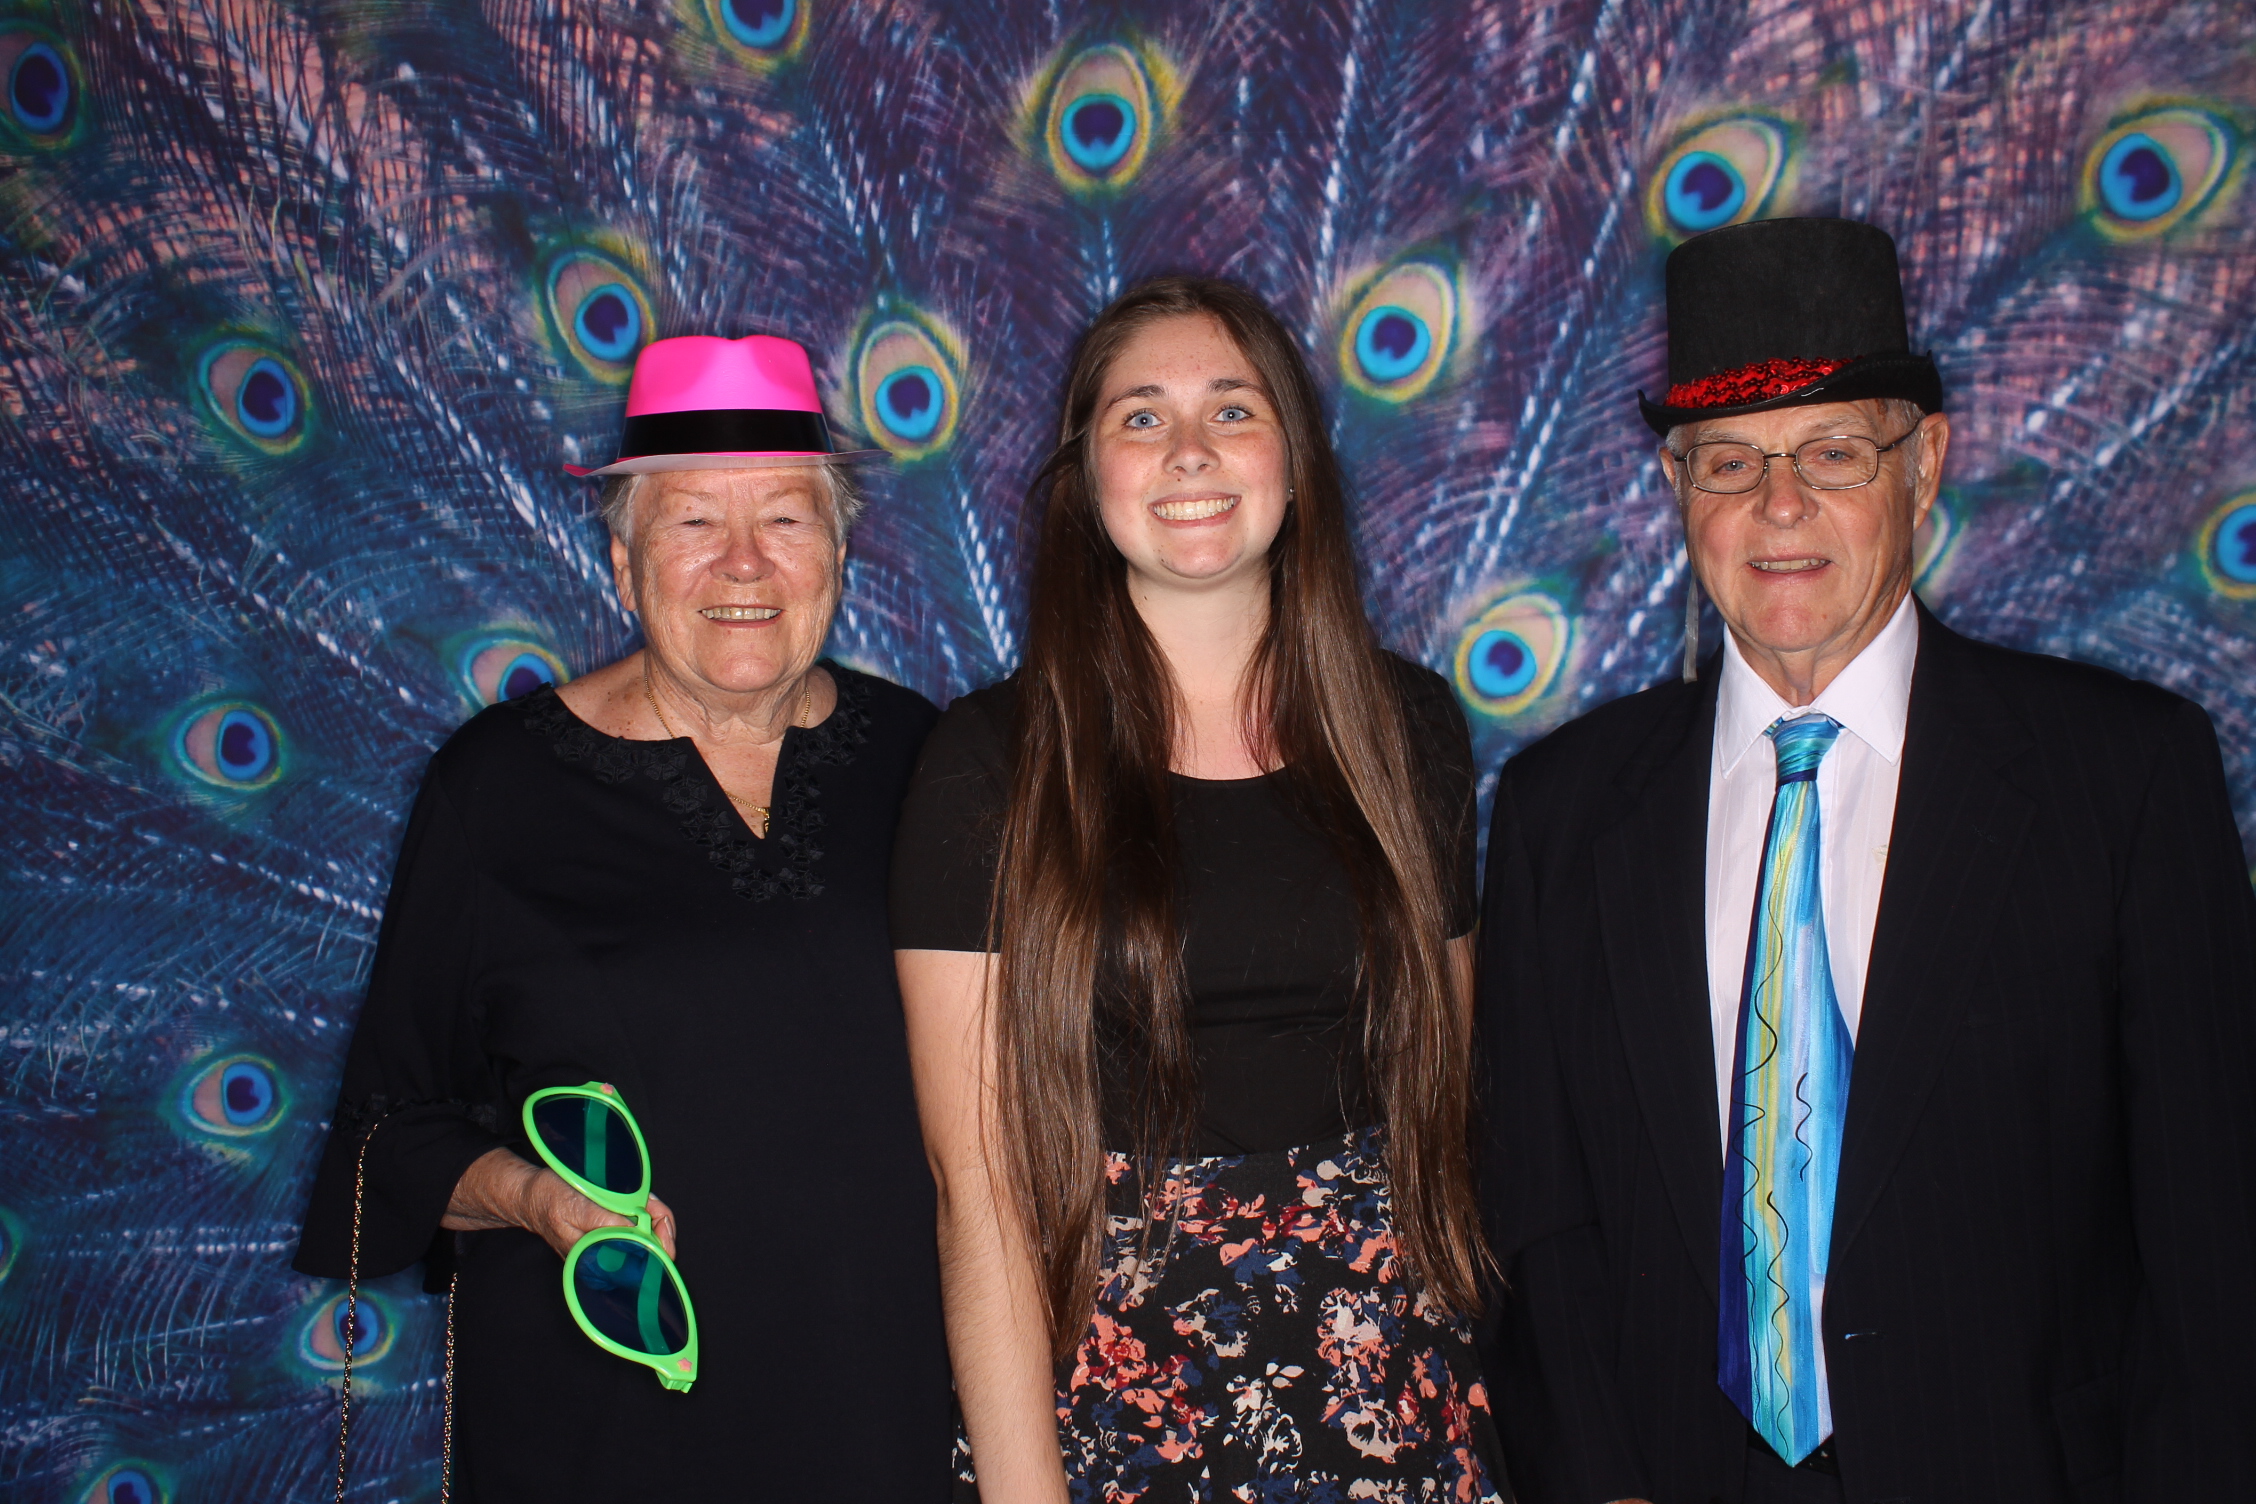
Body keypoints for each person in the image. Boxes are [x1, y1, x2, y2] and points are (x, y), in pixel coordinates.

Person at [1478, 216, 2256, 1504]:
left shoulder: (2121, 781)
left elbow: (2217, 1252)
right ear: (1677, 489)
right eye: (1730, 462)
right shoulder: (1563, 813)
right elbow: (1538, 1221)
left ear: (1925, 462)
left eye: (1833, 451)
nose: (1779, 506)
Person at [294, 334, 953, 1501]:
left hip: (889, 1421)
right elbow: (386, 1136)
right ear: (622, 559)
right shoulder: (494, 789)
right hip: (608, 1433)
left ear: (841, 553)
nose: (744, 562)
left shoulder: (931, 762)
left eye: (788, 521)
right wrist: (536, 1200)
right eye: (694, 521)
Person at [891, 276, 1504, 1503]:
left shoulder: (1412, 730)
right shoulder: (991, 762)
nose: (1188, 451)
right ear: (1086, 478)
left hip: (1390, 1388)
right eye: (1139, 416)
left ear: (1293, 457)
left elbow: (1452, 1095)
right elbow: (982, 1190)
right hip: (1113, 1400)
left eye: (1233, 408)